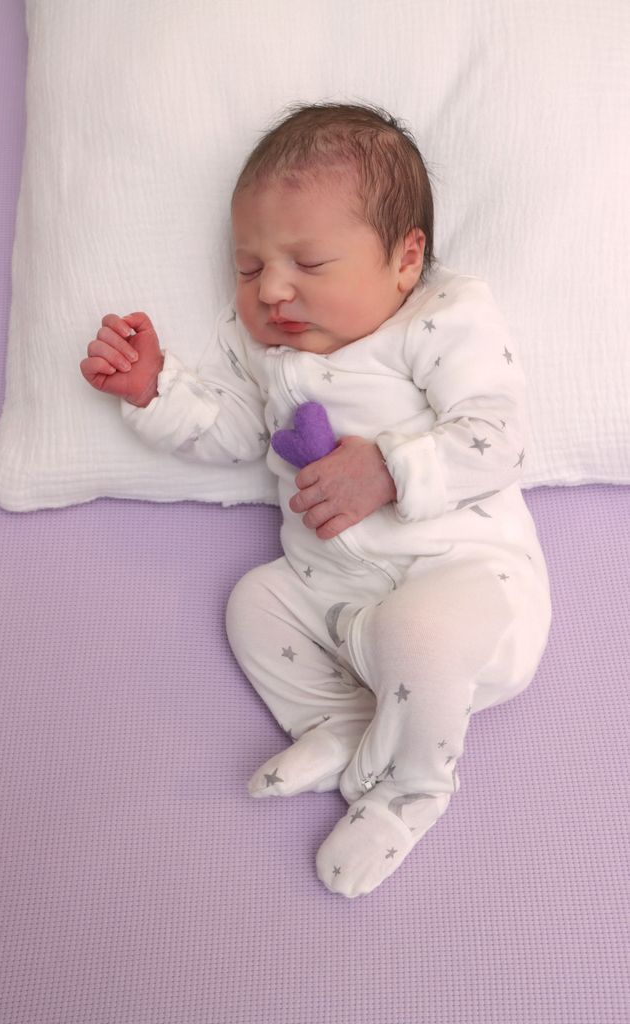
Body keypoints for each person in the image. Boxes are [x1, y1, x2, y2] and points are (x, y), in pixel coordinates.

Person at [80, 103, 551, 898]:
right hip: (330, 596)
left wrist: (391, 470)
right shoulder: (261, 349)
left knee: (420, 633)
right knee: (253, 602)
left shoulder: (442, 317)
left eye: (309, 263)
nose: (272, 290)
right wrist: (155, 389)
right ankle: (339, 725)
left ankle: (407, 794)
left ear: (406, 260)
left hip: (467, 587)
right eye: (249, 267)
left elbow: (499, 436)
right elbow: (233, 431)